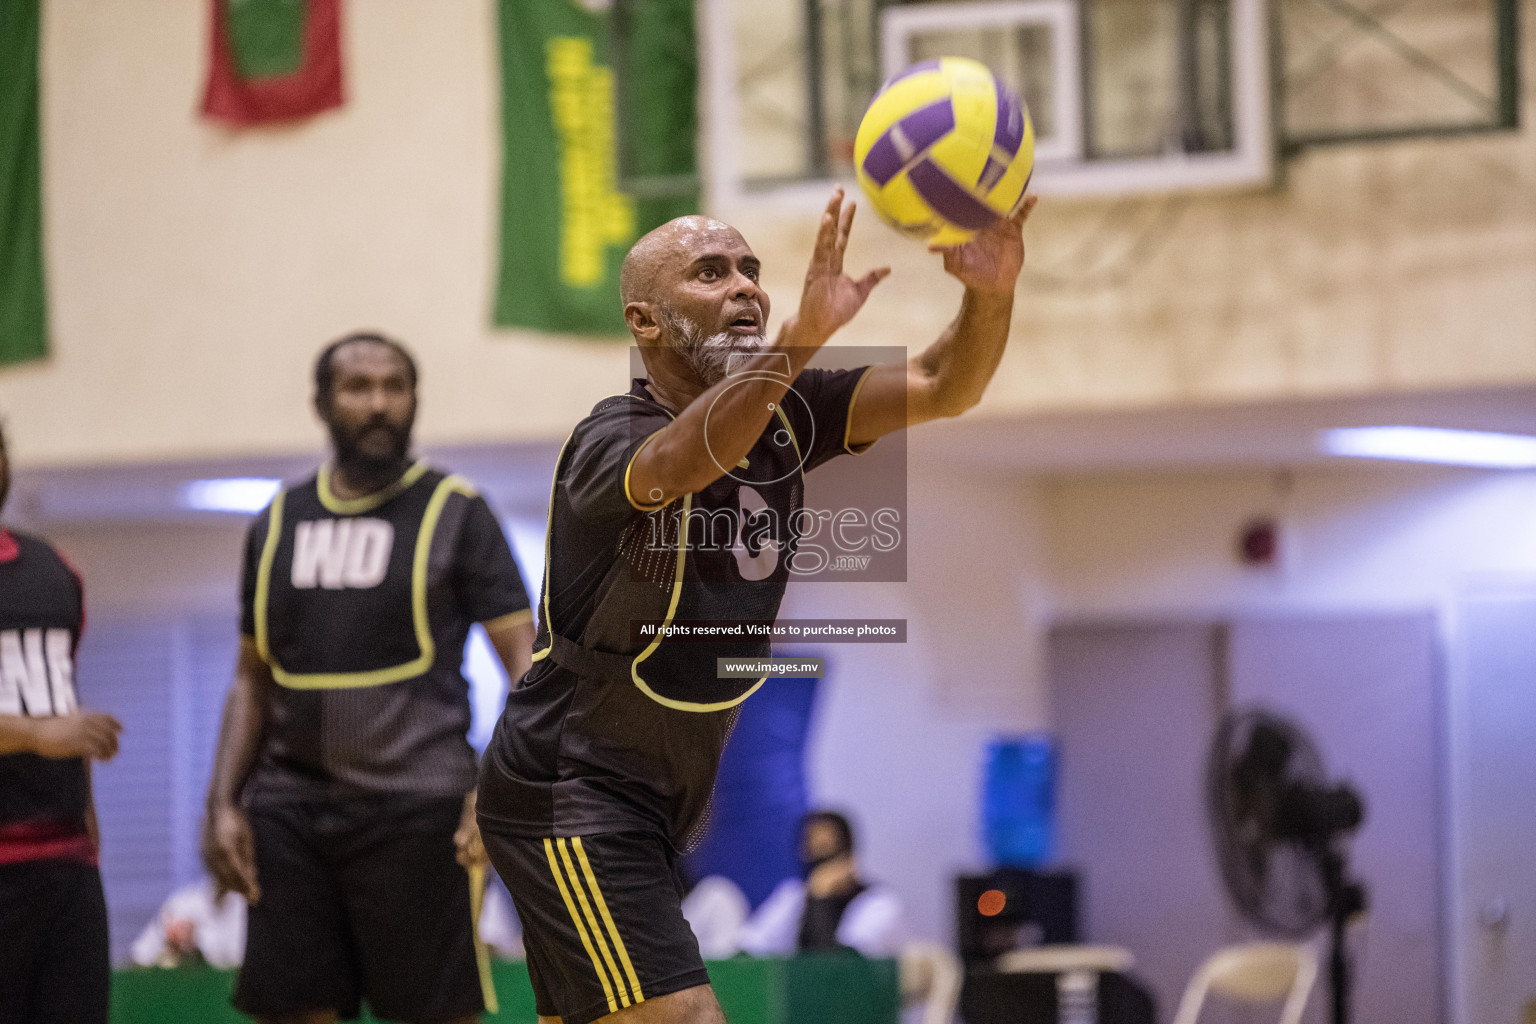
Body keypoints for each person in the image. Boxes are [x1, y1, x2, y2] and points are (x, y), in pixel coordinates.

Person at [476, 187, 1036, 1024]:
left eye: (750, 269)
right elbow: (684, 459)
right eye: (710, 273)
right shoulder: (611, 436)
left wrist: (990, 290)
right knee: (690, 1016)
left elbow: (942, 381)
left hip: (655, 796)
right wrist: (803, 337)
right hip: (570, 785)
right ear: (646, 323)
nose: (743, 286)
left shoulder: (784, 415)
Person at [201, 332, 536, 1024]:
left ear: (414, 400)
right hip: (291, 809)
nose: (379, 403)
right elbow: (250, 680)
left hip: (421, 808)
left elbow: (528, 669)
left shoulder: (457, 511)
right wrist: (223, 802)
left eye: (395, 386)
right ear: (322, 403)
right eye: (358, 387)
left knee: (434, 1014)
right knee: (294, 1010)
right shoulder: (278, 522)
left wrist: (497, 788)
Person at [0, 423, 124, 1024]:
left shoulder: (53, 570)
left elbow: (62, 699)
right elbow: (51, 729)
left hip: (64, 865)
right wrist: (33, 734)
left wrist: (88, 823)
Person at [737, 810, 907, 958]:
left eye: (824, 848)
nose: (815, 860)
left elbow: (836, 968)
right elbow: (748, 947)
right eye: (809, 850)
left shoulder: (879, 903)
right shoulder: (793, 895)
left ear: (848, 856)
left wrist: (820, 898)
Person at [130, 876, 247, 969]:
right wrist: (170, 945)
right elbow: (140, 956)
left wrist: (198, 942)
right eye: (219, 855)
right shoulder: (185, 902)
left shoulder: (252, 906)